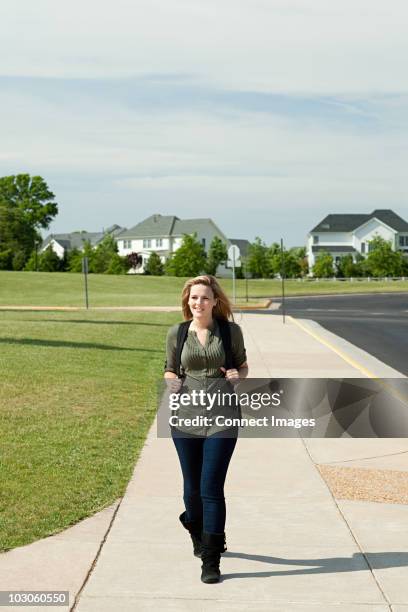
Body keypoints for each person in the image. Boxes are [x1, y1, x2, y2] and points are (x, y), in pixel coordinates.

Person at [164, 274, 248, 584]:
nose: (198, 302)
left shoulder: (230, 332)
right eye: (193, 297)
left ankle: (211, 559)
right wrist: (170, 381)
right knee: (192, 489)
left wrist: (238, 375)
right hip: (185, 417)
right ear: (188, 301)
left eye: (204, 297)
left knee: (211, 488)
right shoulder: (178, 332)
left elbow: (242, 365)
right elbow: (170, 367)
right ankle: (194, 525)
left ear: (215, 302)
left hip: (222, 417)